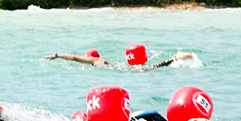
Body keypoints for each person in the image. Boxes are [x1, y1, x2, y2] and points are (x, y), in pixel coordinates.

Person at [46, 50, 195, 70]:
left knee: (150, 68)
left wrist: (57, 56)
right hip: (120, 67)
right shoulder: (100, 60)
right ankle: (174, 58)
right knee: (152, 67)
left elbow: (73, 58)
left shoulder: (94, 60)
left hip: (124, 69)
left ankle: (175, 57)